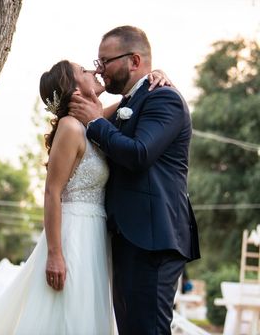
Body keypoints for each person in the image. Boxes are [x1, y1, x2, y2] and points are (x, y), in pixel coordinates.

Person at [0, 60, 170, 334]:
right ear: (75, 91)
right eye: (85, 72)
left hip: (96, 235)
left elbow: (132, 104)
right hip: (73, 234)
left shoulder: (92, 124)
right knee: (67, 314)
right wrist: (54, 254)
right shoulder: (70, 127)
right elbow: (52, 191)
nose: (95, 71)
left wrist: (153, 77)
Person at [68, 26, 200, 335]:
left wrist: (97, 122)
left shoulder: (163, 98)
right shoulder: (134, 101)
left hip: (153, 237)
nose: (100, 70)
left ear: (134, 60)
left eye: (105, 61)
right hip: (128, 237)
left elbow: (140, 154)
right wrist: (98, 118)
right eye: (96, 63)